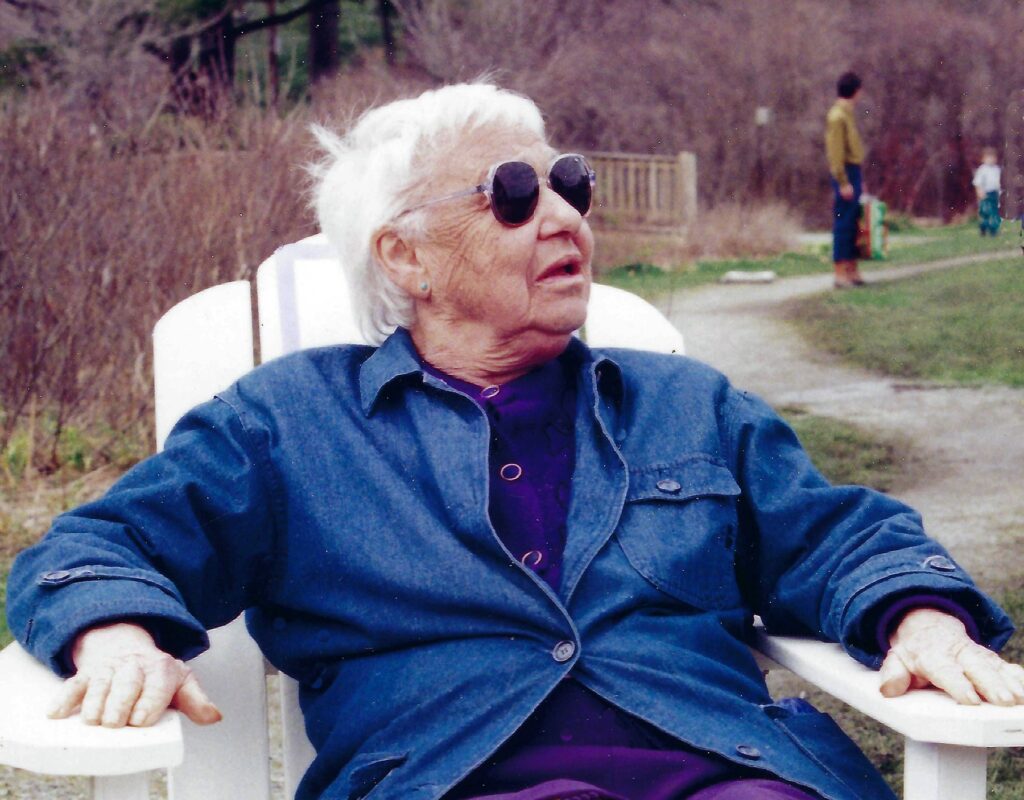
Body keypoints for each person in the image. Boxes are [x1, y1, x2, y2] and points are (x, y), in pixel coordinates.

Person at [8, 83, 1024, 800]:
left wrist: (918, 614)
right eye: (510, 194)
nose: (563, 217)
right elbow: (91, 550)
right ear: (403, 255)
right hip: (451, 773)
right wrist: (115, 631)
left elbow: (834, 534)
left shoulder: (683, 404)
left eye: (569, 186)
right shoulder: (288, 425)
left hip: (729, 771)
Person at [825, 71, 866, 289]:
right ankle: (840, 271)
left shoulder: (848, 114)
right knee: (843, 222)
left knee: (854, 222)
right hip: (845, 173)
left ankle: (852, 268)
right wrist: (842, 181)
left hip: (855, 171)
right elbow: (835, 153)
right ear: (855, 91)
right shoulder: (837, 117)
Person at [973, 147, 1002, 236]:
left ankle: (994, 231)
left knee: (995, 213)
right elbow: (977, 183)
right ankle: (983, 228)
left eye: (993, 158)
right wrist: (980, 192)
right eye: (988, 158)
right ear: (983, 159)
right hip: (985, 194)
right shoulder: (982, 170)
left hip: (995, 194)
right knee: (985, 213)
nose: (991, 160)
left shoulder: (997, 169)